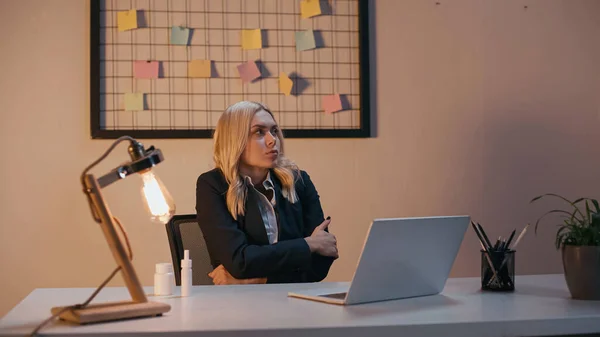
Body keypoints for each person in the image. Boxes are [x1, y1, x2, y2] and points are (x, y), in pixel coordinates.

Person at [196, 101, 338, 285]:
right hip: (239, 305)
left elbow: (320, 264)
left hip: (294, 300)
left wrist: (257, 280)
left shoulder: (299, 181)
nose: (272, 140)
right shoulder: (212, 185)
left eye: (274, 130)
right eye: (259, 132)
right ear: (235, 139)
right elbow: (240, 261)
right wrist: (309, 244)